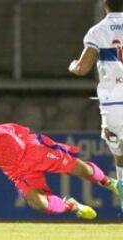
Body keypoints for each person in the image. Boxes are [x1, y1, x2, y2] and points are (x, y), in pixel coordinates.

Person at [68, 0, 123, 211]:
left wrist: (73, 66)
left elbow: (82, 68)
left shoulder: (98, 31)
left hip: (114, 101)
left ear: (104, 5)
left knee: (120, 153)